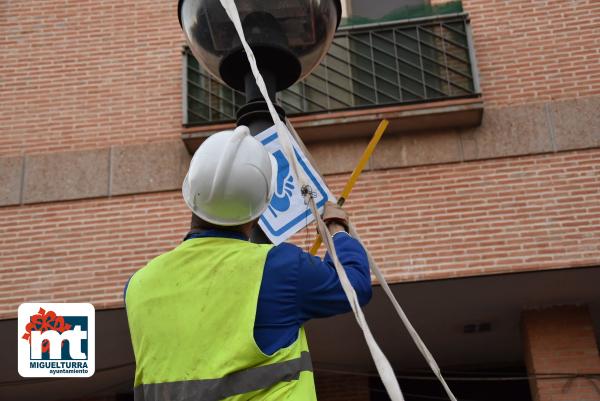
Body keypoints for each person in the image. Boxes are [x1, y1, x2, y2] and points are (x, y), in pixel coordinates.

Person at [125, 126, 372, 401]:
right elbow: (355, 283)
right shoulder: (279, 268)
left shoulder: (138, 286)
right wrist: (336, 228)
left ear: (191, 192)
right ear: (263, 204)